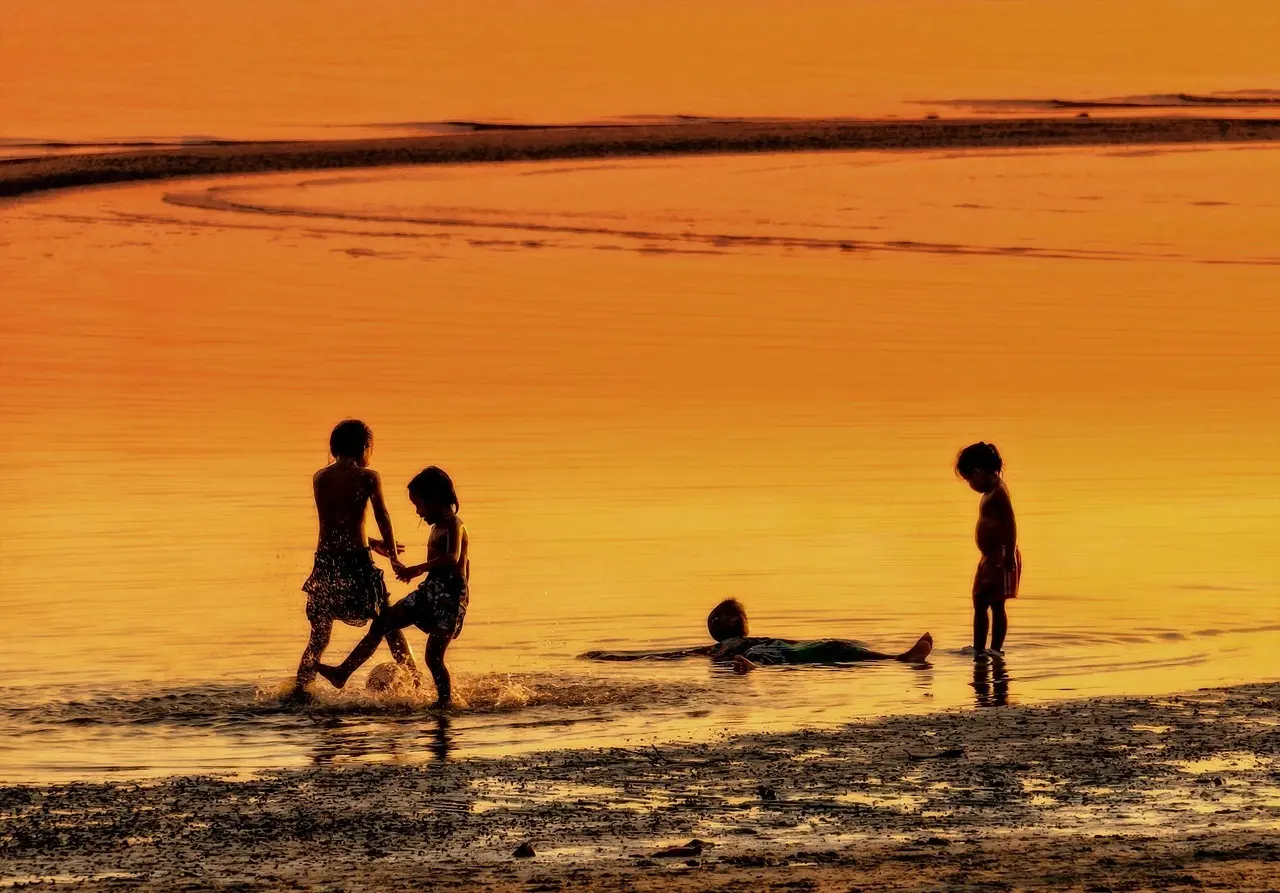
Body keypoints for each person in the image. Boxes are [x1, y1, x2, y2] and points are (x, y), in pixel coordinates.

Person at [319, 466, 470, 708]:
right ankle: (343, 672)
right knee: (383, 622)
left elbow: (453, 558)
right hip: (429, 591)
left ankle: (445, 702)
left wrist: (416, 569)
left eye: (420, 505)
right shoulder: (436, 526)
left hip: (449, 599)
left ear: (437, 499)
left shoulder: (454, 524)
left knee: (433, 657)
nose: (419, 512)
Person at [293, 420, 419, 698]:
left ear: (333, 447)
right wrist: (393, 555)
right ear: (365, 447)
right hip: (356, 562)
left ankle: (300, 689)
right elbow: (381, 516)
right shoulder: (368, 477)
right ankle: (416, 679)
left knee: (319, 635)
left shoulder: (320, 477)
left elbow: (337, 521)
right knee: (388, 621)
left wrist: (373, 543)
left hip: (326, 561)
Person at [580, 599, 932, 672]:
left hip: (782, 651)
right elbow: (674, 656)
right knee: (836, 649)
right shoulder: (722, 648)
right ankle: (900, 660)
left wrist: (614, 656)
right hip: (776, 655)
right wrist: (616, 657)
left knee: (838, 646)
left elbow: (673, 656)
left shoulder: (732, 645)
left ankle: (897, 658)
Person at [955, 441, 1021, 659]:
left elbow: (1010, 523)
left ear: (979, 472)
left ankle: (995, 649)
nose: (971, 485)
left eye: (969, 480)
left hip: (1001, 556)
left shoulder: (999, 493)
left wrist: (1009, 553)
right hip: (989, 557)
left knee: (996, 603)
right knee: (979, 601)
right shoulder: (991, 491)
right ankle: (979, 648)